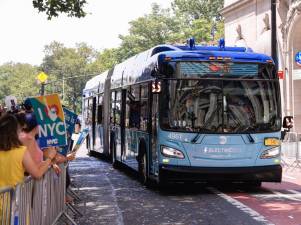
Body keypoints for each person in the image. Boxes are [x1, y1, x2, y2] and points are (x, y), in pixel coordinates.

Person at [0, 114, 57, 188]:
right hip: (15, 197)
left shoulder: (21, 150)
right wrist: (49, 158)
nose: (20, 131)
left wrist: (49, 163)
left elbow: (31, 168)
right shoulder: (21, 151)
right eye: (19, 129)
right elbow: (37, 174)